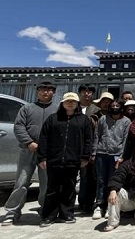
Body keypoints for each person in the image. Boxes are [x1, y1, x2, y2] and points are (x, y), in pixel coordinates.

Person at [1, 81, 58, 225]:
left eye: (49, 90)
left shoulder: (57, 110)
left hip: (48, 152)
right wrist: (29, 142)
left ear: (54, 92)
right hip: (28, 150)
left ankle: (45, 210)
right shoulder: (27, 108)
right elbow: (19, 127)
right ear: (38, 91)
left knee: (46, 183)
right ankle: (12, 212)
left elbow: (61, 129)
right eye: (43, 89)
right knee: (21, 181)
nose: (46, 92)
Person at [37, 92, 94, 227]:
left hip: (73, 160)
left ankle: (66, 214)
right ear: (62, 103)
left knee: (69, 188)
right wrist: (42, 157)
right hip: (54, 160)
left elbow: (88, 139)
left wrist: (85, 157)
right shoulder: (53, 119)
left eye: (73, 102)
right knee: (52, 189)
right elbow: (43, 138)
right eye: (67, 101)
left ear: (77, 104)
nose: (70, 104)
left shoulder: (84, 120)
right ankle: (49, 216)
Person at [92, 100, 131, 220]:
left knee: (112, 180)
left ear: (121, 108)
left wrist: (122, 155)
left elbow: (125, 139)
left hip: (116, 154)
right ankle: (99, 205)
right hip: (102, 153)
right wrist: (94, 152)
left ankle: (111, 206)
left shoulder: (126, 121)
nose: (114, 107)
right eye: (112, 106)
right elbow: (97, 135)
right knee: (101, 180)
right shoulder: (103, 119)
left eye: (117, 106)